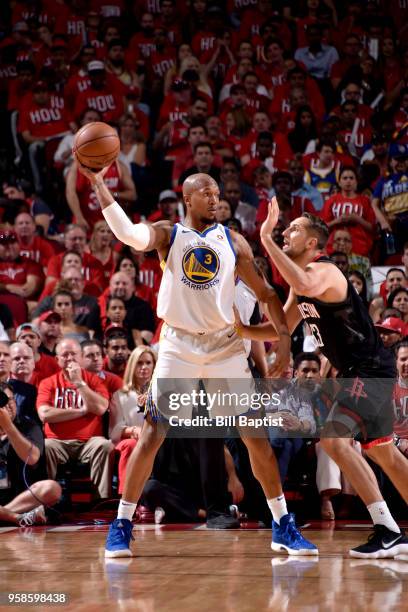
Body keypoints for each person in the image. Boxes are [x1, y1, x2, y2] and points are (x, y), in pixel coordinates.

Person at [80, 165, 317, 558]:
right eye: (206, 192)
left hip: (225, 347)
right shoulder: (169, 233)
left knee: (255, 439)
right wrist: (98, 182)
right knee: (153, 434)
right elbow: (127, 234)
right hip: (178, 346)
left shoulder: (234, 241)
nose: (215, 197)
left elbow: (267, 294)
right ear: (187, 198)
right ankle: (120, 525)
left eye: (217, 192)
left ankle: (282, 524)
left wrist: (286, 344)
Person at [259, 198, 408, 558]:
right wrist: (233, 327)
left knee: (334, 440)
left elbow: (302, 280)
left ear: (312, 243)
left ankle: (387, 529)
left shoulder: (323, 271)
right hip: (361, 371)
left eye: (294, 228)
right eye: (285, 228)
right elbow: (279, 328)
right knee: (385, 454)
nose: (286, 232)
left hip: (368, 370)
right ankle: (390, 532)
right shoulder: (302, 285)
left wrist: (266, 238)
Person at [37, 338, 114, 501]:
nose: (70, 358)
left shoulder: (93, 380)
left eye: (74, 354)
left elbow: (101, 408)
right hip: (57, 442)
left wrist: (79, 383)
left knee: (105, 445)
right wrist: (82, 411)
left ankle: (102, 500)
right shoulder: (48, 383)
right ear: (57, 360)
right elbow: (44, 414)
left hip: (89, 442)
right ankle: (46, 501)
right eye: (65, 355)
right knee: (45, 446)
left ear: (81, 357)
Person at [0, 382, 61, 526]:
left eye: (9, 400)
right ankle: (15, 518)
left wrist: (8, 426)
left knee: (51, 488)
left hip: (22, 499)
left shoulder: (29, 426)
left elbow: (32, 458)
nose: (6, 406)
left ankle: (5, 514)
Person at [109, 346, 157, 494]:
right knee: (131, 445)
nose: (144, 367)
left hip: (156, 438)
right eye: (139, 363)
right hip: (131, 439)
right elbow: (114, 430)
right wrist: (134, 430)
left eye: (148, 363)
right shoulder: (120, 395)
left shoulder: (162, 392)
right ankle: (127, 496)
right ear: (132, 365)